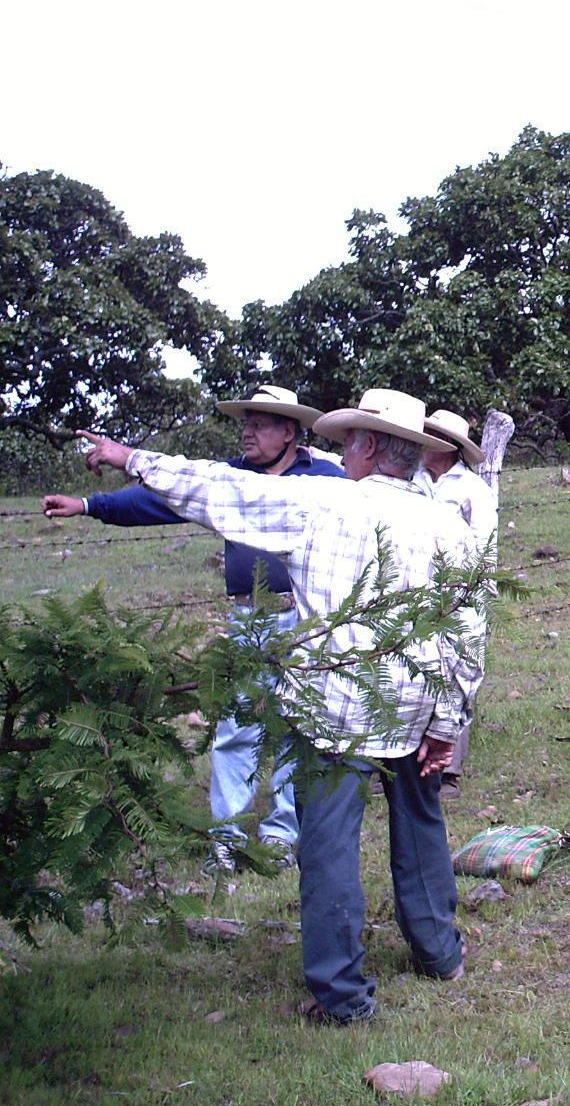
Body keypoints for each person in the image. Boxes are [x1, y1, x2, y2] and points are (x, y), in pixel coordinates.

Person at [75, 388, 485, 1024]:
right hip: (417, 703)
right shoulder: (448, 527)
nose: (343, 452)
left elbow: (218, 490)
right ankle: (441, 953)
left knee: (328, 849)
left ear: (371, 446)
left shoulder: (323, 501)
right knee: (421, 825)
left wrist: (133, 458)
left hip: (338, 706)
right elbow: (468, 632)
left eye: (350, 441)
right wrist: (447, 723)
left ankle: (343, 998)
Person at [42, 385, 343, 872]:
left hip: (304, 617)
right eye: (245, 422)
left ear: (290, 431)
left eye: (260, 423)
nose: (247, 431)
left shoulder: (328, 478)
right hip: (247, 618)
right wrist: (90, 504)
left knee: (295, 726)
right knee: (236, 725)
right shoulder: (229, 479)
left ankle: (282, 837)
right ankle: (226, 841)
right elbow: (157, 501)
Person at [416, 408, 498, 798]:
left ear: (449, 446)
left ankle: (449, 770)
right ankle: (402, 761)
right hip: (414, 586)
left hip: (459, 590)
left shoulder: (472, 489)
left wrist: (469, 589)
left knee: (457, 672)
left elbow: (483, 544)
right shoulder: (411, 481)